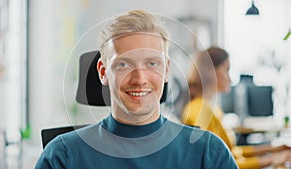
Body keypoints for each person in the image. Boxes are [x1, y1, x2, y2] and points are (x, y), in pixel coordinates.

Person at [35, 10, 238, 169]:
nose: (140, 79)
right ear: (103, 72)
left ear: (166, 70)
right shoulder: (64, 156)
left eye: (152, 64)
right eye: (124, 64)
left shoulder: (209, 153)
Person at [181, 47, 291, 169]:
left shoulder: (209, 108)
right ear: (211, 71)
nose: (230, 78)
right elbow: (217, 163)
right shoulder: (200, 111)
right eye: (227, 70)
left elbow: (232, 152)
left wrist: (275, 149)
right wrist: (271, 159)